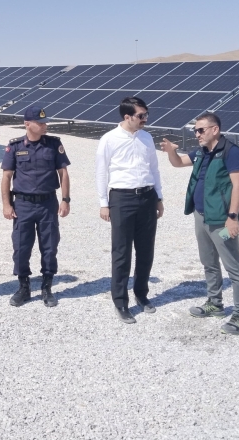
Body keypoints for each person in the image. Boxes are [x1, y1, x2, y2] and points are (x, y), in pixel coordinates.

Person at [159, 111, 239, 336]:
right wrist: (171, 151)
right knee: (208, 262)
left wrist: (233, 217)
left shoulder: (231, 152)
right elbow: (179, 163)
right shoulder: (202, 152)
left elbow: (238, 186)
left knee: (233, 267)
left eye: (200, 130)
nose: (197, 134)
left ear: (215, 130)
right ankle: (215, 303)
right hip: (201, 216)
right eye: (195, 131)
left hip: (222, 221)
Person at [95, 97, 164, 324]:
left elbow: (154, 169)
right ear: (127, 117)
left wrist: (159, 197)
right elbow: (101, 172)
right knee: (121, 252)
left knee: (146, 250)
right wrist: (104, 203)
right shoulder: (109, 139)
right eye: (141, 116)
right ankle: (120, 302)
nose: (145, 119)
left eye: (146, 115)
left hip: (147, 197)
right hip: (121, 198)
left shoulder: (147, 138)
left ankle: (141, 294)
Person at [1, 105, 71, 307]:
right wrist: (6, 204)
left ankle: (47, 287)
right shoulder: (15, 146)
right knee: (21, 246)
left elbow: (63, 173)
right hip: (23, 204)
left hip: (48, 204)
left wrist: (65, 199)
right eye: (40, 123)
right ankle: (23, 287)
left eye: (45, 122)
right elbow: (6, 177)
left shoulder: (54, 144)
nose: (44, 125)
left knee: (49, 246)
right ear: (27, 124)